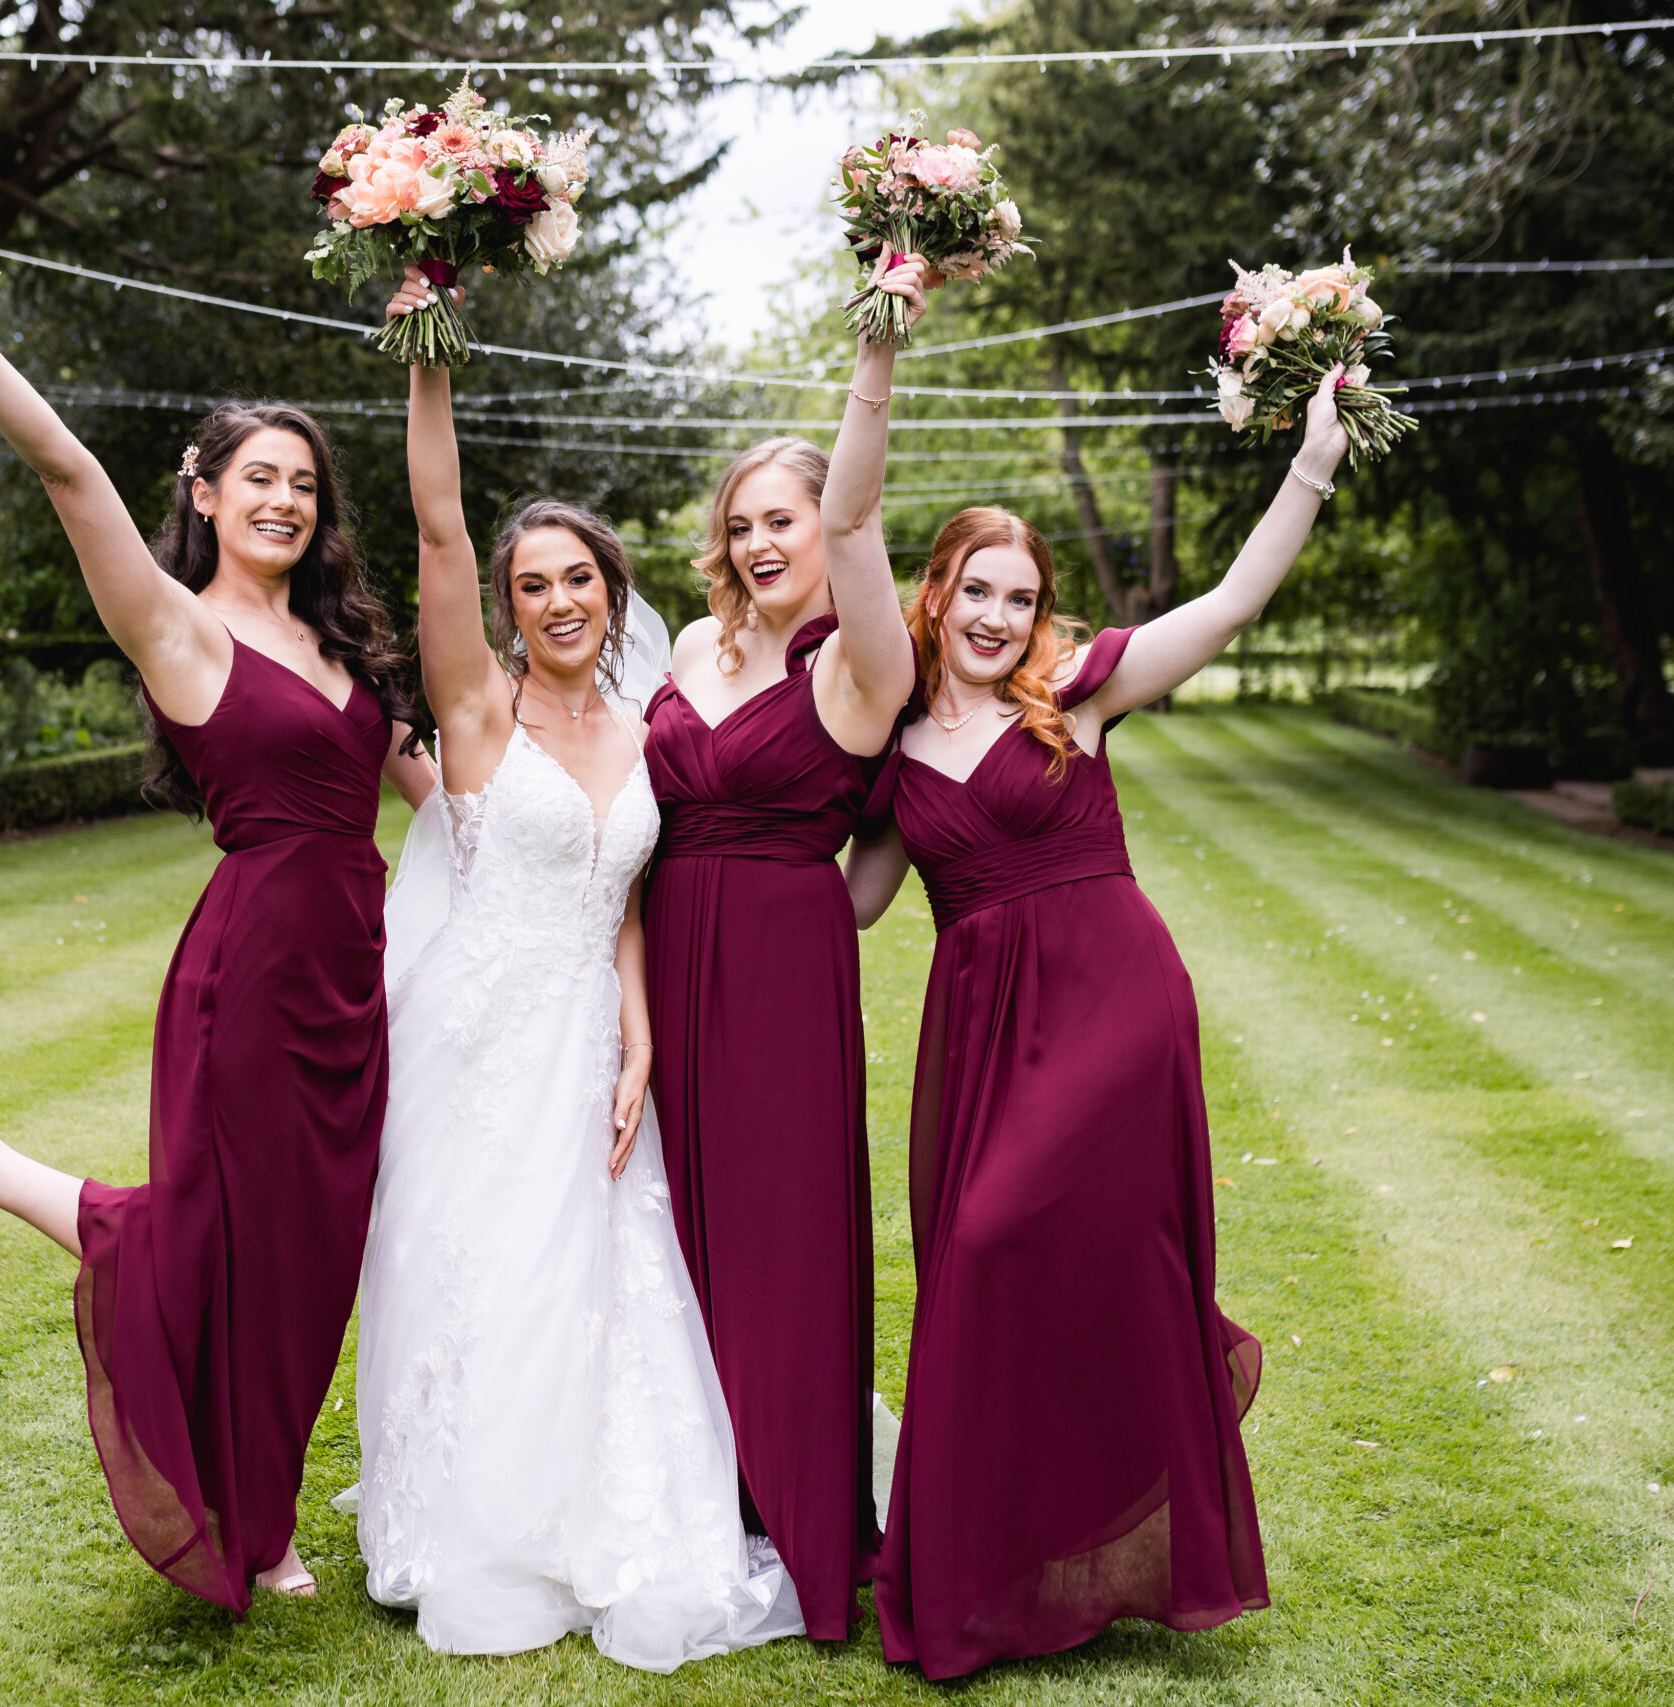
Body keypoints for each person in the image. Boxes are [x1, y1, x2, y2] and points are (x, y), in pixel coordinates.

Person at [0, 215, 430, 1610]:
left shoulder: (348, 647)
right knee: (224, 1245)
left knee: (312, 1259)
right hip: (250, 977)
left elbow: (454, 789)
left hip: (355, 978)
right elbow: (62, 463)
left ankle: (261, 1500)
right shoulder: (178, 625)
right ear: (207, 494)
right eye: (258, 479)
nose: (285, 499)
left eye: (303, 482)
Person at [842, 369, 1351, 1678]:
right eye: (980, 592)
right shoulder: (894, 748)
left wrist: (1310, 462)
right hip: (983, 1025)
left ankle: (1052, 1539)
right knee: (977, 1275)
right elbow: (849, 904)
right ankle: (984, 1569)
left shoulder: (1079, 697)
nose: (1000, 618)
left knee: (1008, 1238)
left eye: (1023, 597)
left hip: (1115, 999)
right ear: (938, 594)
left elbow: (1233, 601)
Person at [346, 273, 806, 1670]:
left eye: (578, 579)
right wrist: (429, 348)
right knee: (490, 1269)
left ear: (615, 591)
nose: (557, 601)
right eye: (531, 585)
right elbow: (435, 523)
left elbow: (623, 896)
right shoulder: (480, 714)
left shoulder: (646, 721)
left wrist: (647, 1033)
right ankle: (479, 1510)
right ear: (507, 604)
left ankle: (625, 1506)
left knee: (615, 1271)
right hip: (486, 1041)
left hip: (601, 1044)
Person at [638, 253, 933, 1640]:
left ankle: (803, 1519)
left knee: (785, 1239)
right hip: (656, 958)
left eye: (791, 517)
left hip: (775, 975)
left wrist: (875, 351)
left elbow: (873, 873)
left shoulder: (860, 666)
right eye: (745, 520)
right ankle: (692, 1488)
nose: (765, 541)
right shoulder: (691, 641)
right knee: (669, 1227)